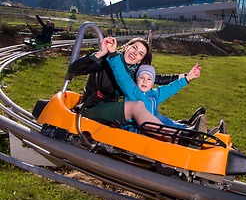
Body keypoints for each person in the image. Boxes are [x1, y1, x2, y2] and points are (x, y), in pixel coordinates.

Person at [68, 37, 207, 132]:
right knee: (138, 106)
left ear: (140, 61)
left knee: (155, 113)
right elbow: (73, 69)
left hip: (111, 107)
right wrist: (102, 52)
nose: (135, 53)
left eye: (140, 53)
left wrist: (187, 77)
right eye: (134, 47)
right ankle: (176, 134)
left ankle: (183, 128)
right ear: (126, 46)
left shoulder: (135, 74)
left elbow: (157, 79)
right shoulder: (106, 60)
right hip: (92, 107)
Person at [105, 38, 201, 131]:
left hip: (152, 128)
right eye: (141, 78)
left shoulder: (155, 95)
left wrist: (187, 78)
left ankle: (186, 128)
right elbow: (121, 75)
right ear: (135, 80)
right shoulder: (132, 90)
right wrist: (113, 54)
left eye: (149, 79)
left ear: (153, 82)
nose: (145, 81)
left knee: (162, 119)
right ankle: (184, 131)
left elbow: (171, 88)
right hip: (135, 128)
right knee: (160, 120)